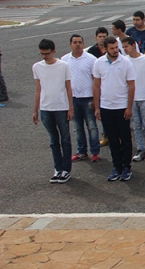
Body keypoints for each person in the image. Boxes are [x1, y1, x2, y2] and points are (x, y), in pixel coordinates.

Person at [92, 37, 135, 182]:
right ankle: (117, 167)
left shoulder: (126, 62)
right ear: (105, 49)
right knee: (112, 139)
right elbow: (97, 86)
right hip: (106, 107)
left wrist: (129, 107)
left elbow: (131, 86)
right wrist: (97, 107)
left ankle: (126, 167)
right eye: (112, 48)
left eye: (117, 47)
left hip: (121, 107)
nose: (115, 50)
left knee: (125, 138)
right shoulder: (99, 63)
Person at [33, 39, 74, 183]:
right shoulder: (37, 67)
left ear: (54, 51)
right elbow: (38, 89)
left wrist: (70, 107)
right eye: (42, 54)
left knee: (65, 139)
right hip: (46, 108)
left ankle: (66, 169)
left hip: (61, 108)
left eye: (47, 53)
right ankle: (57, 168)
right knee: (53, 140)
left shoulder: (63, 66)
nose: (45, 56)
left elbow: (68, 87)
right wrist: (35, 110)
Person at [61, 35, 100, 163]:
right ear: (70, 44)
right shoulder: (65, 60)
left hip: (88, 98)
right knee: (77, 127)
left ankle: (95, 152)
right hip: (73, 99)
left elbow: (96, 81)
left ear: (83, 44)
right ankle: (81, 152)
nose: (77, 44)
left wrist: (96, 100)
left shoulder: (91, 59)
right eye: (74, 42)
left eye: (79, 42)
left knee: (92, 127)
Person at [122, 37, 145, 164]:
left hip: (144, 96)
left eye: (126, 46)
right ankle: (140, 148)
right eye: (123, 47)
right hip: (132, 98)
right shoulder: (125, 61)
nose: (125, 49)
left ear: (133, 45)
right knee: (136, 125)